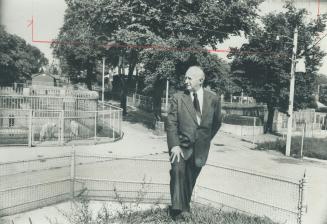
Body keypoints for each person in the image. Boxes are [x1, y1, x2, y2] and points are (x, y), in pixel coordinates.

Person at [166, 66, 222, 220]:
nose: (185, 81)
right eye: (185, 78)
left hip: (200, 149)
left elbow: (217, 123)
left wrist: (205, 139)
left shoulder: (213, 99)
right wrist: (174, 145)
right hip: (180, 147)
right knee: (177, 173)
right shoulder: (178, 98)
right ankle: (177, 212)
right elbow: (171, 123)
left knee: (190, 179)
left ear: (201, 80)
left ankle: (185, 207)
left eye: (189, 78)